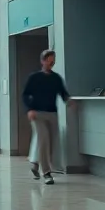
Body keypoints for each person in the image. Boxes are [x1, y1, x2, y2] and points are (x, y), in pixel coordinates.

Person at [21, 49, 74, 184]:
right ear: (43, 61)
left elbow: (63, 93)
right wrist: (30, 109)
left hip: (52, 114)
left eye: (53, 62)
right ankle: (46, 173)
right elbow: (26, 94)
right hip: (37, 114)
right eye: (49, 61)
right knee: (43, 139)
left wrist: (69, 101)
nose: (51, 64)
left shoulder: (56, 78)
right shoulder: (34, 78)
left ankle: (35, 164)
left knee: (51, 142)